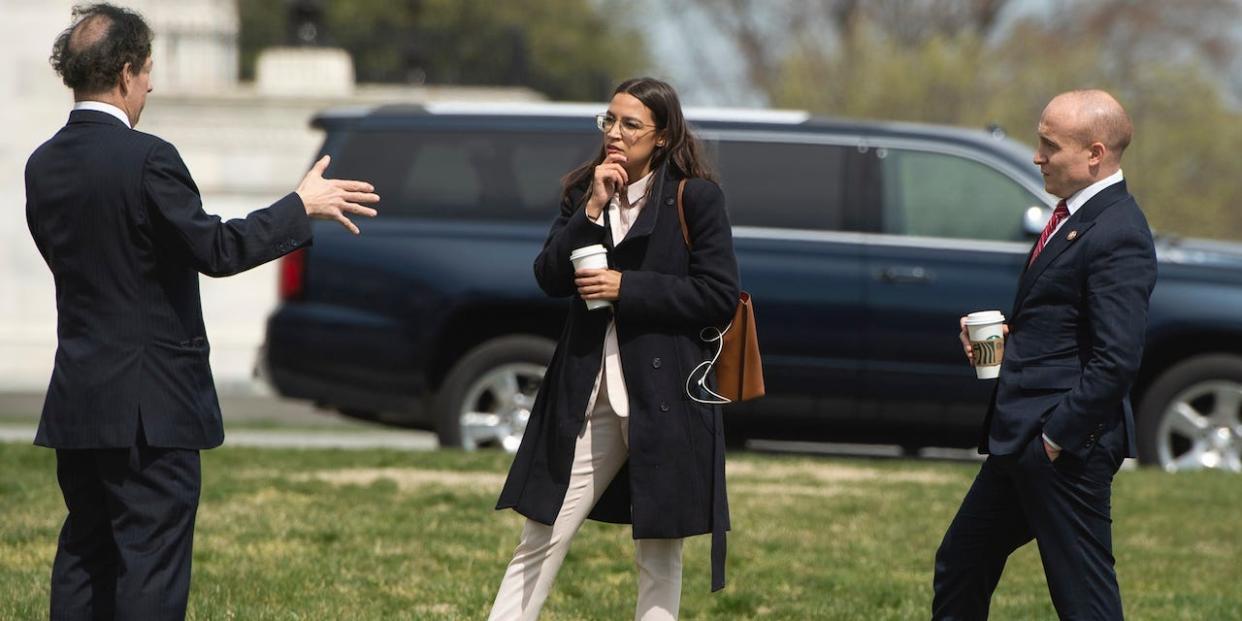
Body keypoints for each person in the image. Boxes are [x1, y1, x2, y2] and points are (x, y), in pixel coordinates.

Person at [25, 4, 379, 618]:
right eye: (148, 72)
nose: (153, 86)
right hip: (151, 410)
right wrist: (299, 205)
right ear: (128, 71)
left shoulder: (42, 164)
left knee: (85, 553)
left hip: (80, 399)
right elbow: (215, 249)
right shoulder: (147, 158)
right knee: (149, 567)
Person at [489, 77, 740, 620]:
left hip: (667, 394)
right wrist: (594, 206)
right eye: (609, 121)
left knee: (660, 548)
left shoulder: (693, 197)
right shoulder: (587, 190)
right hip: (585, 391)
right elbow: (549, 276)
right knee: (543, 529)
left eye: (631, 124)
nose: (616, 135)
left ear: (664, 135)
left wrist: (627, 287)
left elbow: (718, 295)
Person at [932, 90, 1157, 620]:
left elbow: (1117, 358)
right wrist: (1008, 343)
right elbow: (1067, 327)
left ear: (1095, 154)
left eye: (1049, 146)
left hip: (1063, 447)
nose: (1038, 156)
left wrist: (1056, 438)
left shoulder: (1118, 231)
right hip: (1024, 434)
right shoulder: (1074, 217)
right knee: (962, 563)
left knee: (1085, 601)